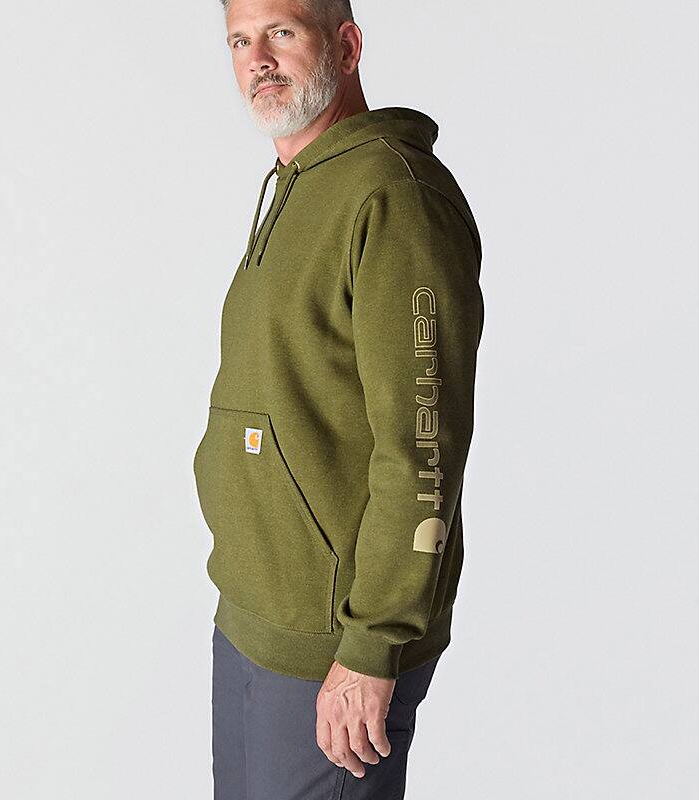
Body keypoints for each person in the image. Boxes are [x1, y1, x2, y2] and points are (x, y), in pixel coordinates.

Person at [193, 1, 484, 796]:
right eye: (240, 40)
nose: (257, 58)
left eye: (282, 32)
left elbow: (423, 443)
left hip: (336, 644)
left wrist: (372, 646)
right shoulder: (298, 186)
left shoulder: (393, 196)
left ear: (347, 46)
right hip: (254, 615)